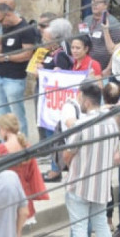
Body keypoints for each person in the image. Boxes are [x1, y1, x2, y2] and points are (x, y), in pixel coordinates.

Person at [61, 82, 119, 237]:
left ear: (85, 100)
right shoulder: (111, 122)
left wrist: (67, 163)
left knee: (79, 227)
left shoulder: (81, 124)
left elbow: (68, 153)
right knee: (101, 225)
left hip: (79, 183)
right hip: (102, 183)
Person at [0, 3, 40, 136]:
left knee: (17, 114)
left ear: (9, 14)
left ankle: (22, 143)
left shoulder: (26, 29)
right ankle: (6, 143)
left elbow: (27, 54)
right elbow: (4, 46)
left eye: (1, 20)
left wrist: (6, 57)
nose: (0, 24)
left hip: (15, 78)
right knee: (2, 114)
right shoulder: (6, 27)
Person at [36, 18, 75, 182]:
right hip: (47, 100)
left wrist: (46, 71)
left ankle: (56, 170)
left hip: (56, 103)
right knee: (50, 135)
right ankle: (55, 166)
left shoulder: (61, 56)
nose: (44, 41)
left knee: (56, 137)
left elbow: (64, 77)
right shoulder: (50, 53)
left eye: (47, 38)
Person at [0, 113, 47, 222]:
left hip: (8, 195)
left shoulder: (1, 149)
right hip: (25, 194)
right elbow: (32, 173)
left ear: (5, 129)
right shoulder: (26, 146)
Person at [83, 0, 120, 73]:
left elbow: (119, 50)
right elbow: (82, 41)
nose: (94, 5)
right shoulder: (86, 20)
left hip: (104, 71)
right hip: (87, 68)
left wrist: (108, 69)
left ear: (106, 5)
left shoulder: (113, 23)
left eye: (98, 2)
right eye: (93, 1)